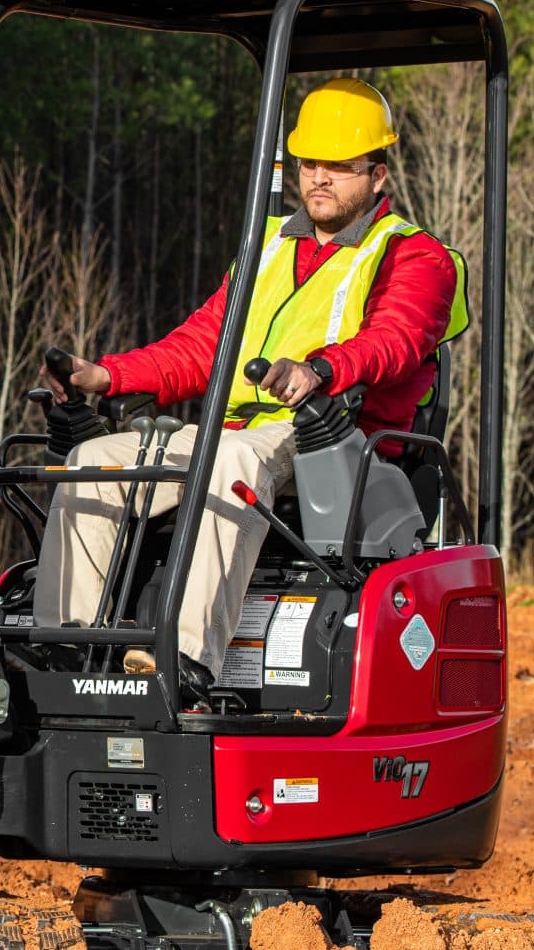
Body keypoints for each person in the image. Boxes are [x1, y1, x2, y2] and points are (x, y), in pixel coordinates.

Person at [35, 78, 466, 689]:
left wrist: (318, 369)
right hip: (242, 433)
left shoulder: (415, 257)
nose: (320, 177)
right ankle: (68, 651)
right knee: (91, 459)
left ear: (377, 175)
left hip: (333, 440)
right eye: (310, 163)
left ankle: (185, 661)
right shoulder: (265, 245)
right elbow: (202, 344)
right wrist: (106, 375)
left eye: (340, 166)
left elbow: (393, 341)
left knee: (230, 457)